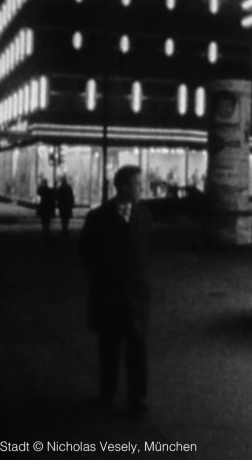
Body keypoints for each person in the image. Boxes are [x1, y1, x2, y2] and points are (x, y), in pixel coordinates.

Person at [79, 165, 152, 419]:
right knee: (109, 348)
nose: (141, 188)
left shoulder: (144, 214)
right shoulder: (98, 217)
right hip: (108, 295)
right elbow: (86, 252)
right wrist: (104, 276)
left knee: (137, 349)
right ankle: (107, 392)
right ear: (122, 186)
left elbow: (146, 249)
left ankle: (137, 398)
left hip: (136, 295)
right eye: (137, 184)